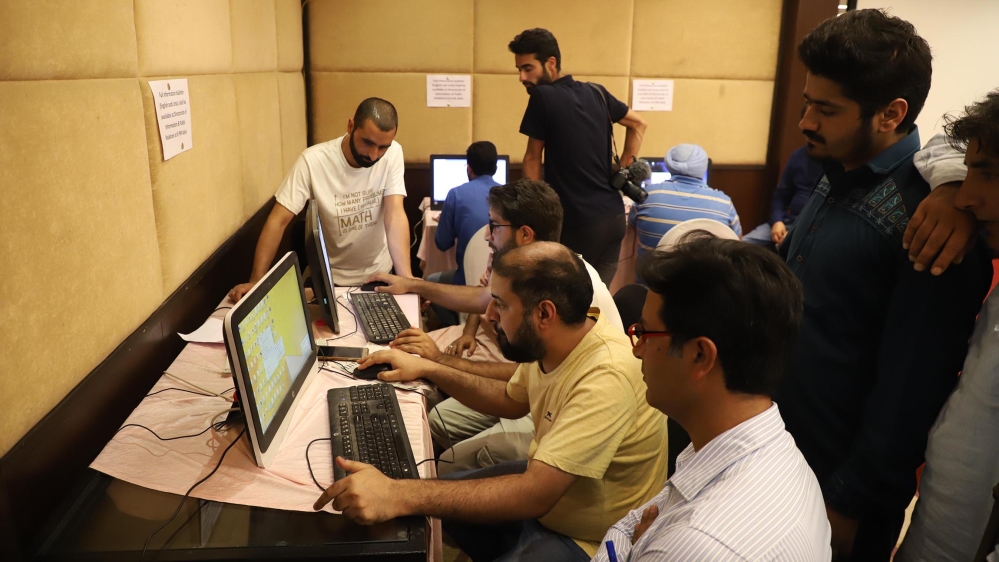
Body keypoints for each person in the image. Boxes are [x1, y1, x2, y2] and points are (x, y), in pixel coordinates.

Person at [776, 10, 993, 560]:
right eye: (807, 103)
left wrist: (851, 499)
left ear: (891, 113)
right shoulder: (837, 168)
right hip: (782, 457)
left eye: (827, 110)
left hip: (839, 492)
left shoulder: (931, 221)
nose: (806, 122)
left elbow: (912, 385)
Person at [315, 243, 668, 561]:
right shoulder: (559, 340)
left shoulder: (606, 375)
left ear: (544, 314)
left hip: (589, 538)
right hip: (551, 497)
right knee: (441, 499)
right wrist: (429, 368)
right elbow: (509, 399)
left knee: (423, 498)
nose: (489, 315)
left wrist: (396, 494)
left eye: (500, 303)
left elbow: (535, 495)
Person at [593, 234, 830, 561]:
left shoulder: (697, 544)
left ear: (700, 355)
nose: (637, 349)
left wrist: (642, 548)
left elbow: (639, 535)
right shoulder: (765, 448)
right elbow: (631, 524)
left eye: (645, 333)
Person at [383, 179, 624, 474]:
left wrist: (438, 361)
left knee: (447, 464)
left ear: (525, 234)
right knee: (437, 422)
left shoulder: (568, 289)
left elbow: (517, 375)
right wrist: (413, 286)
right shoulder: (525, 269)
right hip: (533, 394)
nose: (487, 234)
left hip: (565, 413)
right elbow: (518, 382)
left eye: (494, 225)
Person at [896, 90, 999, 562]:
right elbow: (942, 145)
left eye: (989, 175)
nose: (968, 198)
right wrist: (948, 184)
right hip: (937, 527)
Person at [228, 98, 412, 301]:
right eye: (367, 142)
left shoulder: (394, 153)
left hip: (379, 274)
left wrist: (407, 279)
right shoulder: (313, 161)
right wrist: (256, 280)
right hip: (331, 278)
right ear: (351, 126)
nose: (373, 155)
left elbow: (395, 213)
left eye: (382, 147)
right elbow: (278, 220)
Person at [509, 28, 648, 285]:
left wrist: (536, 216)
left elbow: (531, 159)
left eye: (528, 68)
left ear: (551, 63)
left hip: (578, 223)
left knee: (564, 298)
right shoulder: (596, 92)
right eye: (519, 70)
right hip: (614, 219)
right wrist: (624, 170)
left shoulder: (542, 96)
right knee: (597, 298)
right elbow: (638, 124)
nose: (522, 77)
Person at [427, 141, 500, 326]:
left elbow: (442, 243)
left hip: (466, 281)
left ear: (469, 169)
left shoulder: (456, 194)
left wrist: (447, 221)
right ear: (496, 168)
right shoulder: (507, 197)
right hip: (498, 283)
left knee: (430, 282)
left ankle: (457, 325)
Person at [629, 144, 741, 261]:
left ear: (669, 164)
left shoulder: (645, 195)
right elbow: (736, 242)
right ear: (703, 166)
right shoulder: (724, 203)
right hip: (705, 272)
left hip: (651, 272)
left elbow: (631, 234)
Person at [743, 145, 824, 249]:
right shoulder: (798, 155)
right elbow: (781, 195)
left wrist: (794, 234)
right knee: (742, 245)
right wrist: (777, 221)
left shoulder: (836, 162)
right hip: (787, 222)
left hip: (814, 228)